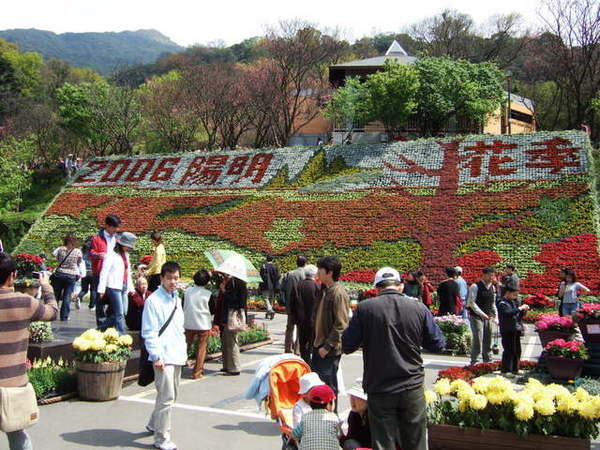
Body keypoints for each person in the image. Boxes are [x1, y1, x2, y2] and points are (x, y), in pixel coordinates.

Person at [342, 267, 445, 450]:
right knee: (415, 440)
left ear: (377, 288)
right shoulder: (418, 308)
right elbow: (438, 343)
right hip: (411, 384)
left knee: (383, 441)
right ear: (401, 286)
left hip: (380, 386)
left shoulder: (365, 309)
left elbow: (348, 345)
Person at [0, 253, 58, 450]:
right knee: (18, 435)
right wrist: (46, 286)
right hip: (14, 383)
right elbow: (52, 312)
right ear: (12, 276)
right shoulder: (24, 302)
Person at [142, 262, 187, 450]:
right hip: (163, 356)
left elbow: (179, 329)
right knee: (167, 398)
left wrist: (184, 352)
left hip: (176, 354)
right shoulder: (153, 301)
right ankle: (161, 438)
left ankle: (154, 423)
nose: (173, 282)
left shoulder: (176, 299)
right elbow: (149, 331)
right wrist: (156, 355)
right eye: (169, 278)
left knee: (171, 395)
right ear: (161, 278)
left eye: (176, 278)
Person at [312, 256, 349, 399]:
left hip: (328, 349)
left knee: (329, 387)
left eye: (320, 270)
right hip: (319, 345)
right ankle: (320, 418)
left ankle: (330, 417)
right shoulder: (324, 290)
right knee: (318, 387)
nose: (317, 273)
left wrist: (327, 347)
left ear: (330, 273)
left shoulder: (337, 293)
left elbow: (341, 324)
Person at [97, 232, 136, 335]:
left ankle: (100, 329)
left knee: (123, 312)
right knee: (119, 313)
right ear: (122, 244)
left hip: (124, 286)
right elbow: (104, 272)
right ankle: (121, 335)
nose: (129, 248)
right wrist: (101, 289)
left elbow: (128, 273)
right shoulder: (111, 255)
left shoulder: (126, 255)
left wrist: (131, 288)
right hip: (113, 286)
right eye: (128, 246)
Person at [90, 214, 121, 326]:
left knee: (114, 299)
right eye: (114, 227)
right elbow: (90, 252)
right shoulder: (96, 238)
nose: (116, 230)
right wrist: (98, 255)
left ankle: (109, 321)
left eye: (117, 227)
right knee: (100, 299)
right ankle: (101, 323)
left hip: (113, 273)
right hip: (99, 271)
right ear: (107, 226)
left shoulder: (117, 239)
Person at [215, 273, 248, 376]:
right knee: (225, 340)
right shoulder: (232, 281)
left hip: (232, 315)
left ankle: (234, 368)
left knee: (232, 341)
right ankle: (226, 365)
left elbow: (235, 301)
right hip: (226, 316)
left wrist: (224, 290)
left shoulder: (236, 282)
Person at [183, 269, 213, 379]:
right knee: (201, 348)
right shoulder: (208, 294)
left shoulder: (187, 291)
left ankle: (178, 365)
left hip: (188, 322)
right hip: (203, 324)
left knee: (185, 346)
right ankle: (197, 372)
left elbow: (183, 305)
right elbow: (212, 309)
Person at [292, 384, 340, 450]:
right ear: (329, 404)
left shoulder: (305, 418)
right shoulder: (334, 418)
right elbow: (338, 435)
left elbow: (295, 435)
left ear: (310, 403)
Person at [467, 267, 498, 366]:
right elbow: (472, 303)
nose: (491, 278)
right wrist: (482, 314)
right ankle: (474, 360)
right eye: (490, 275)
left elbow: (493, 303)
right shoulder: (475, 286)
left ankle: (487, 359)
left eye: (493, 276)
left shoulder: (492, 287)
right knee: (478, 338)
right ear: (484, 275)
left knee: (488, 337)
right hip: (476, 316)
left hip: (488, 316)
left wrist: (496, 315)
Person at [497, 285, 529, 377]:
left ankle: (515, 369)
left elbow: (517, 314)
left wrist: (523, 310)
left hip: (515, 328)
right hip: (507, 329)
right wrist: (519, 308)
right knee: (509, 350)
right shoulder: (502, 303)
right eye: (514, 294)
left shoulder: (513, 302)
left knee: (517, 350)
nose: (515, 296)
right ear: (507, 293)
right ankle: (506, 370)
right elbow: (507, 313)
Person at [51, 232, 83, 321]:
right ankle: (64, 316)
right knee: (67, 296)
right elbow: (79, 262)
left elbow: (55, 257)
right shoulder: (78, 251)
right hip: (71, 275)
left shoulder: (60, 249)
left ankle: (53, 314)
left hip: (59, 274)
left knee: (56, 295)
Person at [281, 256, 307, 354]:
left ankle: (287, 348)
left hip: (290, 304)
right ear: (305, 263)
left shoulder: (290, 274)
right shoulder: (305, 274)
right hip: (301, 304)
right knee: (301, 328)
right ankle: (297, 349)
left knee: (289, 327)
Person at [296, 264, 320, 364]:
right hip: (313, 319)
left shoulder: (298, 285)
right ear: (314, 274)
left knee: (302, 343)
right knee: (312, 343)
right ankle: (311, 364)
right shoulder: (316, 286)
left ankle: (304, 362)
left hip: (300, 320)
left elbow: (293, 302)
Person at [341, 378, 371, 450]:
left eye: (357, 397)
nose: (352, 400)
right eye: (352, 396)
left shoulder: (374, 417)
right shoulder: (353, 415)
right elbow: (350, 438)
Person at [77, 237, 94, 310]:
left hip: (84, 272)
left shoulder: (83, 251)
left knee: (84, 289)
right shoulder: (94, 251)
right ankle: (92, 306)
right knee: (93, 289)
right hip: (93, 272)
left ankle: (79, 297)